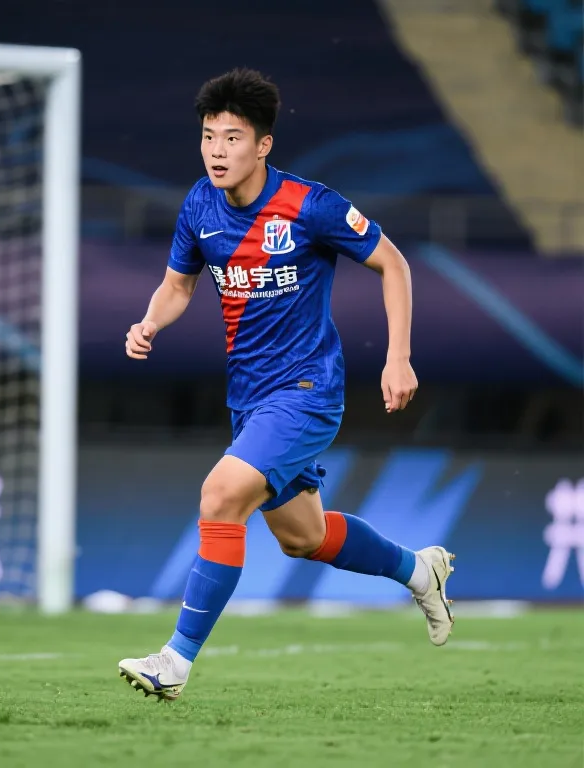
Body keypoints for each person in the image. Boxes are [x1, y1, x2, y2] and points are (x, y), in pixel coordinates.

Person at [117, 69, 454, 701]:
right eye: (208, 137)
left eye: (232, 138)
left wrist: (398, 358)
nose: (217, 151)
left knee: (220, 496)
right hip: (249, 400)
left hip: (306, 391)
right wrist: (150, 322)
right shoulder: (199, 205)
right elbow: (178, 286)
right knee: (304, 537)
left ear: (263, 144)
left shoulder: (310, 205)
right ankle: (420, 571)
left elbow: (394, 264)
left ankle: (174, 663)